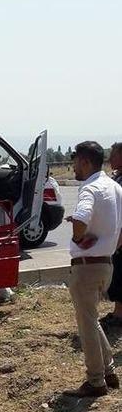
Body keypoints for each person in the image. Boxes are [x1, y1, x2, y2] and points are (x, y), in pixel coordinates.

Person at [61, 141, 122, 398]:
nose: (73, 167)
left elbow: (81, 219)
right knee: (91, 319)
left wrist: (78, 237)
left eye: (75, 162)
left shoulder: (89, 188)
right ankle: (108, 371)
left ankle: (95, 381)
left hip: (87, 267)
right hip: (106, 263)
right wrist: (110, 245)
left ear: (85, 162)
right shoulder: (115, 187)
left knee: (86, 324)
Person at [101, 141, 122, 328]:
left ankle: (119, 315)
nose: (110, 158)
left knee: (120, 275)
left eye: (114, 155)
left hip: (120, 238)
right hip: (115, 236)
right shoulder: (117, 177)